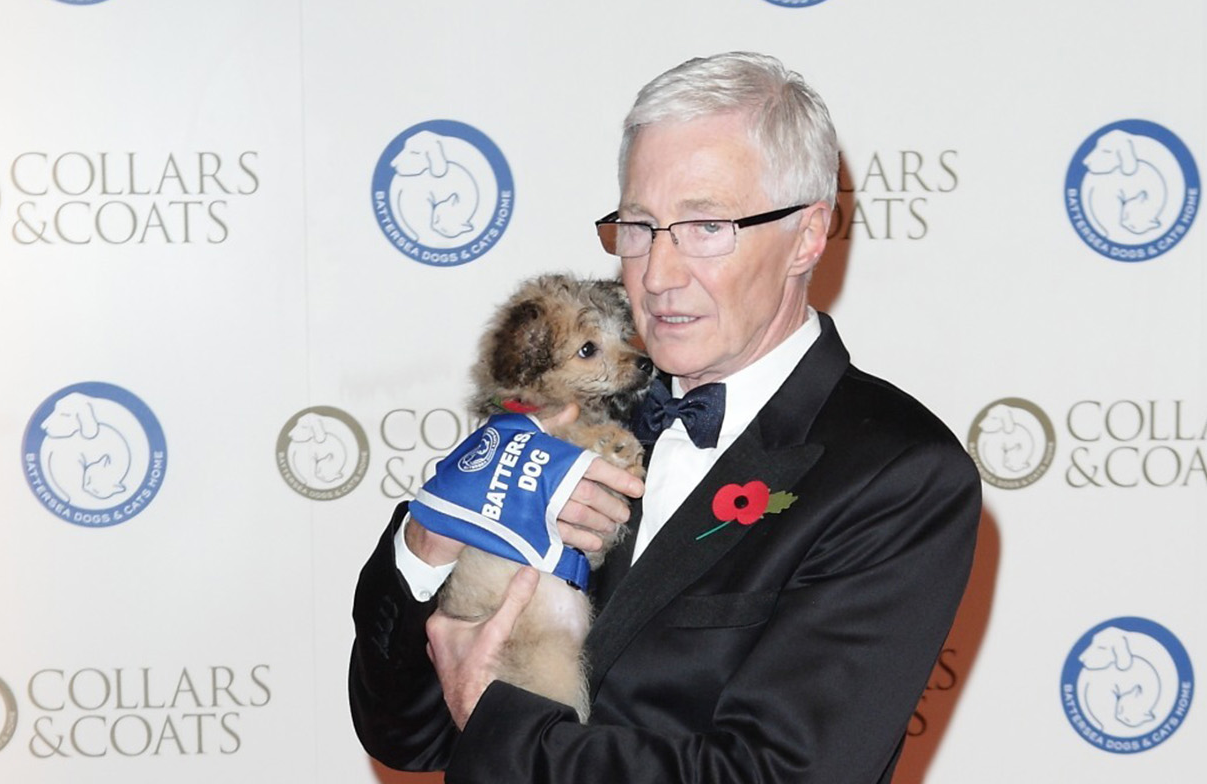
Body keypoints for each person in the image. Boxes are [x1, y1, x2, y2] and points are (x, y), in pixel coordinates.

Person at [349, 51, 981, 783]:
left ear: (808, 235)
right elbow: (407, 736)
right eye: (640, 227)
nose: (657, 273)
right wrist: (430, 540)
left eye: (707, 226)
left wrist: (500, 722)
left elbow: (775, 775)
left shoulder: (896, 476)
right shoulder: (573, 409)